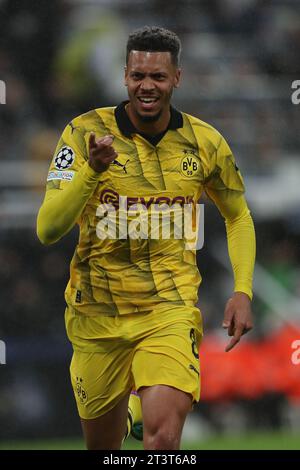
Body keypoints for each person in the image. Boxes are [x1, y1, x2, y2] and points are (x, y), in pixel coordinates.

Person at [37, 26, 255, 450]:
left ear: (177, 78)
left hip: (169, 310)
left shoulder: (205, 143)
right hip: (96, 315)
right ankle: (130, 409)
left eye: (157, 76)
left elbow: (239, 216)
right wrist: (93, 171)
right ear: (124, 76)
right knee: (105, 451)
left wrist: (242, 289)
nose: (147, 86)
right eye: (138, 76)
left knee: (162, 439)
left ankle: (145, 409)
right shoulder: (83, 133)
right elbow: (48, 228)